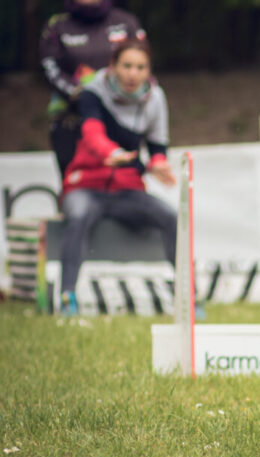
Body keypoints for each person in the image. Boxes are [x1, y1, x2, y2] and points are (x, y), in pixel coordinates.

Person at [59, 38, 176, 315]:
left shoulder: (156, 97)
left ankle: (190, 297)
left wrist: (159, 164)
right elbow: (92, 132)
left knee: (172, 217)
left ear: (149, 70)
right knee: (77, 216)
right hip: (86, 185)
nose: (133, 74)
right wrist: (108, 152)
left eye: (140, 67)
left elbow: (158, 146)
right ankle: (68, 299)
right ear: (112, 66)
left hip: (128, 190)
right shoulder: (92, 92)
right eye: (126, 66)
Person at [40, 0, 146, 180]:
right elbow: (49, 69)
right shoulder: (57, 26)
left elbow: (142, 63)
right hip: (72, 120)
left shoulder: (126, 22)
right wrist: (84, 96)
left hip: (121, 118)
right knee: (76, 189)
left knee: (125, 183)